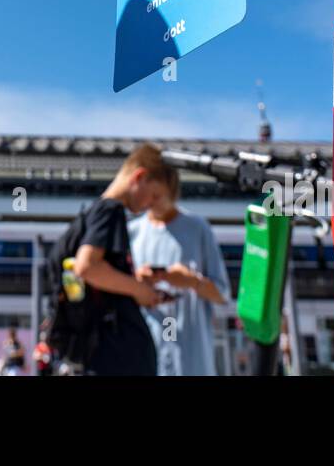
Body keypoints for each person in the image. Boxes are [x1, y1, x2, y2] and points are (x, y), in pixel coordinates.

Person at [68, 144, 173, 375]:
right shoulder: (111, 210)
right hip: (117, 358)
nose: (149, 206)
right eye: (153, 196)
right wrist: (139, 290)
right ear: (140, 176)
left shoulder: (90, 215)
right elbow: (86, 267)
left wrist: (133, 282)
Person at [129, 169, 230, 375]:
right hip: (151, 340)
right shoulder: (133, 232)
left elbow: (223, 294)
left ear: (173, 193)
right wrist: (137, 285)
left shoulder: (197, 228)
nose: (151, 202)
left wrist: (192, 281)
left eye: (157, 196)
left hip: (191, 348)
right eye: (149, 195)